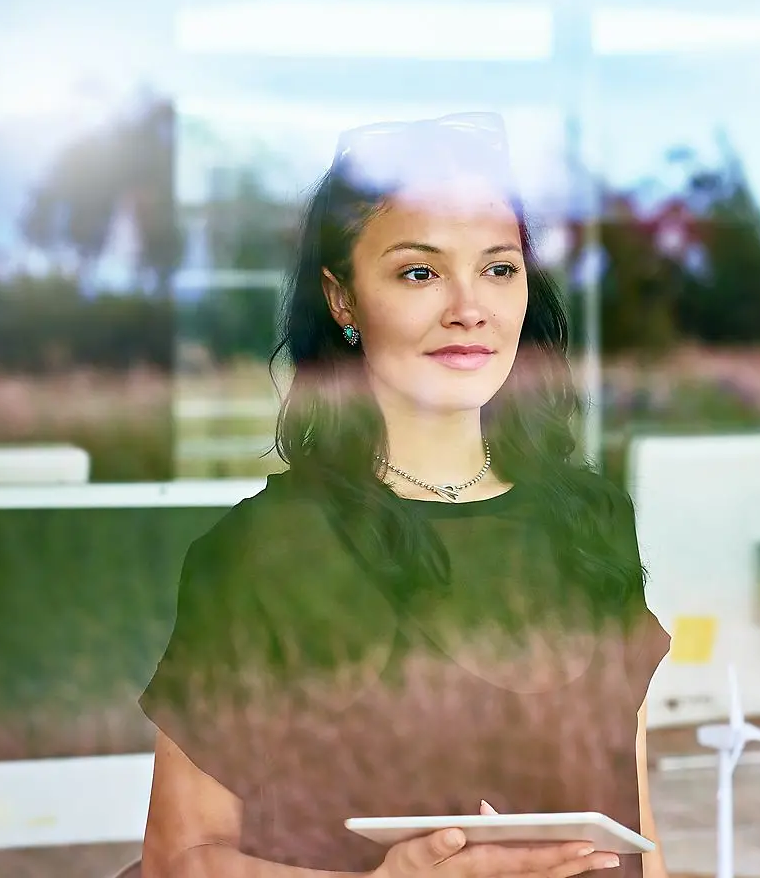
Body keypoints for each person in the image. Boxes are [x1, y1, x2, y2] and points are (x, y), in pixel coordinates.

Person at [139, 113, 672, 878]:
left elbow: (637, 825)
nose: (469, 307)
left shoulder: (593, 520)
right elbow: (176, 861)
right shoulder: (264, 552)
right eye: (420, 273)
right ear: (342, 299)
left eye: (498, 268)